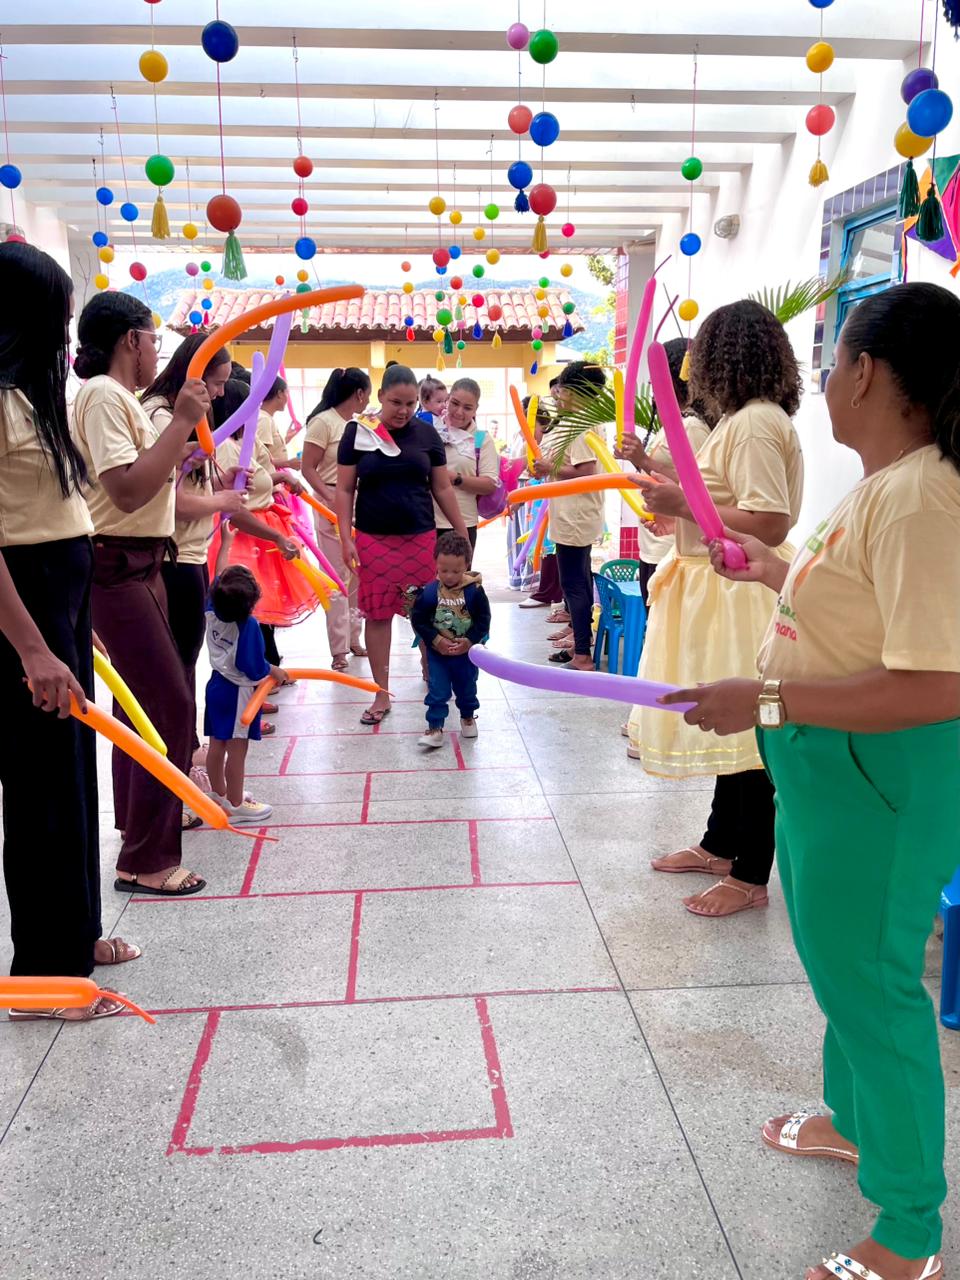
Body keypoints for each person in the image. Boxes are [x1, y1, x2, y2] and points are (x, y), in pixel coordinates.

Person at [663, 282, 960, 1280]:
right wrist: (770, 565)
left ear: (866, 372)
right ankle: (852, 1121)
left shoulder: (923, 495)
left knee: (872, 983)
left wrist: (767, 699)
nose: (824, 381)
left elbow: (938, 682)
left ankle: (909, 1231)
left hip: (878, 779)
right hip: (838, 776)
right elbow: (856, 603)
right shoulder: (893, 482)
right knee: (842, 964)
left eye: (833, 363)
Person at [622, 300, 803, 918]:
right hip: (719, 585)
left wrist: (680, 501)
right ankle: (721, 845)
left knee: (751, 733)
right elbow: (716, 493)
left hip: (738, 588)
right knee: (734, 728)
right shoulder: (742, 421)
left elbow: (771, 521)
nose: (692, 372)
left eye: (700, 357)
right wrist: (663, 483)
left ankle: (751, 873)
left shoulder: (754, 422)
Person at [0, 241, 137, 1020]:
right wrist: (30, 646)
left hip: (59, 605)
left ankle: (77, 937)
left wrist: (75, 630)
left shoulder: (34, 397)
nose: (64, 332)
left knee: (72, 779)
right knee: (41, 795)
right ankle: (42, 978)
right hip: (24, 611)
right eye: (55, 314)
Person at [72, 292, 209, 897]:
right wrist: (179, 422)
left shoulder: (116, 397)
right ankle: (148, 859)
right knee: (168, 706)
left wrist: (177, 446)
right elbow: (125, 493)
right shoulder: (105, 394)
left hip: (139, 562)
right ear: (132, 340)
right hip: (118, 564)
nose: (156, 349)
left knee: (141, 706)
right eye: (153, 338)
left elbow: (141, 480)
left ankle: (136, 833)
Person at [335, 363, 470, 726]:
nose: (403, 410)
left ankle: (432, 672)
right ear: (380, 397)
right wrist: (346, 537)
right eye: (396, 402)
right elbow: (345, 489)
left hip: (420, 540)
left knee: (424, 612)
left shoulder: (427, 434)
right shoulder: (358, 432)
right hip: (373, 540)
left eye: (410, 404)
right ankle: (382, 692)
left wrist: (461, 534)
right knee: (378, 615)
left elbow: (441, 487)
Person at [141, 333, 243, 804]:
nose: (220, 394)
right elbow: (170, 500)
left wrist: (221, 492)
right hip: (171, 559)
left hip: (190, 557)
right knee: (173, 674)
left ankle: (182, 759)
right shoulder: (164, 417)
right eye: (215, 383)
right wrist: (222, 502)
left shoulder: (184, 417)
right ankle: (174, 774)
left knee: (182, 669)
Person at [210, 379, 316, 688]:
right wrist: (277, 538)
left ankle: (263, 674)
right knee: (247, 614)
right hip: (244, 539)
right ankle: (251, 681)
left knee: (261, 615)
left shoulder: (240, 444)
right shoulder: (225, 448)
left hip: (260, 534)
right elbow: (235, 508)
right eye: (252, 407)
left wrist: (280, 478)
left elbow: (255, 480)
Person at [203, 526, 283, 824]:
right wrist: (275, 671)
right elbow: (254, 666)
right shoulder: (247, 626)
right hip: (238, 693)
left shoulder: (212, 608)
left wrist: (226, 543)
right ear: (250, 604)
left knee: (216, 744)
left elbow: (219, 575)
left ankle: (219, 794)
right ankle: (236, 805)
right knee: (237, 749)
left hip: (216, 686)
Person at [629, 337, 712, 607]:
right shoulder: (676, 423)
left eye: (658, 380)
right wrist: (637, 459)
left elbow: (699, 486)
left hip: (670, 546)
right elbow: (663, 473)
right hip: (655, 542)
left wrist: (643, 459)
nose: (653, 389)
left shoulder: (692, 428)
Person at [537, 362, 607, 670]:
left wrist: (548, 468)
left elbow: (586, 471)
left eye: (563, 390)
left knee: (574, 583)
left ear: (577, 392)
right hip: (572, 513)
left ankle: (582, 655)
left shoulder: (580, 425)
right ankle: (581, 641)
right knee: (577, 579)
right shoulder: (578, 421)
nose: (558, 395)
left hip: (575, 515)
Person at [301, 367, 371, 671]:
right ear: (359, 394)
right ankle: (338, 648)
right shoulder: (323, 422)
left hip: (357, 502)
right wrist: (329, 497)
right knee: (335, 576)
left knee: (358, 574)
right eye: (368, 395)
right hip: (331, 500)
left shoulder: (357, 424)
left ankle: (354, 638)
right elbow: (307, 467)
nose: (368, 401)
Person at [410, 531, 491, 748]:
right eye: (443, 570)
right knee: (437, 690)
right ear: (436, 564)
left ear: (466, 565)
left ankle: (468, 716)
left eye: (456, 571)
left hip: (466, 655)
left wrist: (470, 641)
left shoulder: (475, 592)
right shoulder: (429, 593)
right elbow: (419, 620)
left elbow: (484, 620)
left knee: (467, 688)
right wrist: (436, 640)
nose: (449, 576)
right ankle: (435, 727)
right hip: (438, 654)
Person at [433, 377, 499, 550]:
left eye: (467, 408)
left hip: (462, 525)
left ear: (476, 409)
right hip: (426, 522)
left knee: (459, 569)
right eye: (455, 403)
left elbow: (490, 484)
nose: (459, 412)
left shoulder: (481, 439)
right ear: (447, 399)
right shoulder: (431, 429)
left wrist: (455, 478)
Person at [518, 393, 564, 608]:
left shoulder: (554, 439)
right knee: (546, 545)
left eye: (530, 426)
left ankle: (551, 593)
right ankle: (548, 591)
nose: (526, 433)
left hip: (556, 501)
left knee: (551, 546)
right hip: (543, 500)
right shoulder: (543, 441)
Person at [257, 376, 298, 469]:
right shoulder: (264, 420)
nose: (288, 398)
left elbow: (269, 451)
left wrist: (285, 439)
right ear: (279, 394)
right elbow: (260, 459)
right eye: (287, 392)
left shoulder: (267, 418)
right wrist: (288, 463)